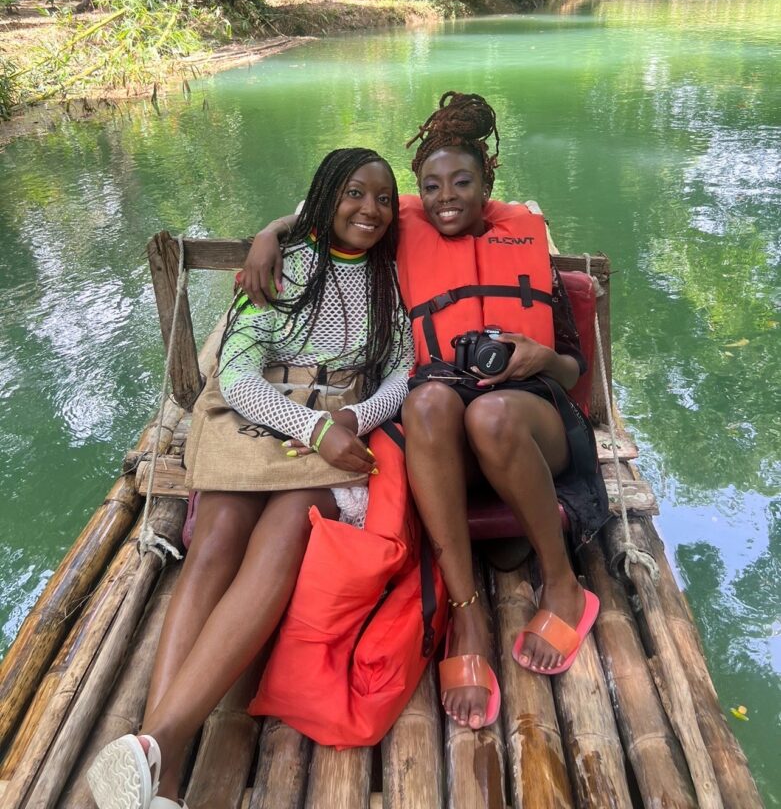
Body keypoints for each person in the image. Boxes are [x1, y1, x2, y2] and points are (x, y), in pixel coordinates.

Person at [242, 93, 608, 735]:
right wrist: (268, 235)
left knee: (491, 415)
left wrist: (536, 357)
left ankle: (563, 583)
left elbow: (576, 372)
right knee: (428, 397)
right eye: (431, 185)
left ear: (488, 179)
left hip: (532, 418)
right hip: (446, 428)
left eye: (462, 182)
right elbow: (316, 208)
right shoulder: (403, 226)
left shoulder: (527, 238)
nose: (446, 197)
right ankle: (467, 614)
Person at [87, 148, 414, 809]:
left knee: (291, 524)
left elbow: (403, 371)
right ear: (323, 201)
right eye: (354, 194)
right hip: (256, 416)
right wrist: (312, 426)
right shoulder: (285, 268)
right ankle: (164, 765)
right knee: (215, 539)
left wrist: (351, 415)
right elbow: (234, 376)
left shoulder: (390, 281)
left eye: (383, 199)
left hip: (335, 424)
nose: (371, 210)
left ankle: (154, 752)